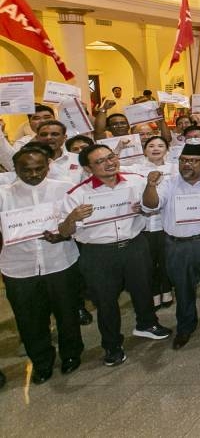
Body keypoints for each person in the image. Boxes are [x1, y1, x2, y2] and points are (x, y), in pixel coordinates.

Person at [59, 144, 172, 366]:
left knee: (142, 288)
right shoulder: (77, 193)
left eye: (111, 157)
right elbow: (64, 231)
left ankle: (147, 324)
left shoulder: (135, 180)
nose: (109, 163)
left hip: (135, 244)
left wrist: (146, 200)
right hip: (99, 252)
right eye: (100, 161)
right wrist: (72, 217)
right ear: (88, 168)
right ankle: (112, 345)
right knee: (106, 300)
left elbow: (152, 207)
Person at [0, 146, 84, 382]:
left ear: (48, 166)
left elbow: (79, 223)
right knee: (29, 319)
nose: (34, 174)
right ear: (14, 169)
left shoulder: (65, 189)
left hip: (60, 262)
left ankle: (71, 354)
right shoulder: (3, 194)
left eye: (39, 169)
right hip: (19, 267)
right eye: (27, 170)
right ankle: (41, 362)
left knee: (67, 313)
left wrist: (65, 233)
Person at [141, 143, 200, 349]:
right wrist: (150, 186)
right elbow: (150, 206)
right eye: (183, 160)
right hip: (178, 246)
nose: (187, 165)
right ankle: (185, 327)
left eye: (193, 161)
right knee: (183, 288)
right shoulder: (167, 184)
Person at [135, 135, 176, 311]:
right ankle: (153, 293)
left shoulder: (174, 169)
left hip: (166, 223)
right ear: (144, 150)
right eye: (151, 146)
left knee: (165, 260)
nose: (156, 148)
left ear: (167, 150)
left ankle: (167, 290)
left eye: (161, 145)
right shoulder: (135, 170)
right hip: (144, 224)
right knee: (148, 263)